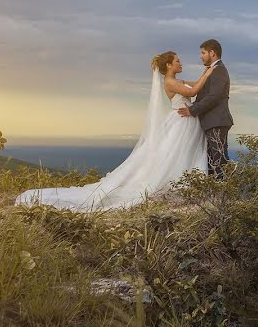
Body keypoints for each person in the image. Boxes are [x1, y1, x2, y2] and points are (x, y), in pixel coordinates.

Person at [15, 51, 215, 211]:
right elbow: (193, 91)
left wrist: (205, 75)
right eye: (178, 61)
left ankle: (185, 187)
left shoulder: (177, 80)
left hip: (184, 121)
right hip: (180, 121)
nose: (181, 63)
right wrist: (208, 72)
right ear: (169, 65)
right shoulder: (171, 82)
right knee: (173, 154)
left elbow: (193, 85)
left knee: (179, 153)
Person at [177, 39, 234, 180]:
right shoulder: (213, 69)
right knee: (212, 159)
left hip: (217, 121)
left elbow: (214, 96)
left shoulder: (219, 69)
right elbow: (203, 87)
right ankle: (215, 191)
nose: (201, 56)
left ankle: (222, 193)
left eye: (203, 53)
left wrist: (192, 110)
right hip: (213, 122)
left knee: (219, 160)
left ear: (212, 53)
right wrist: (184, 83)